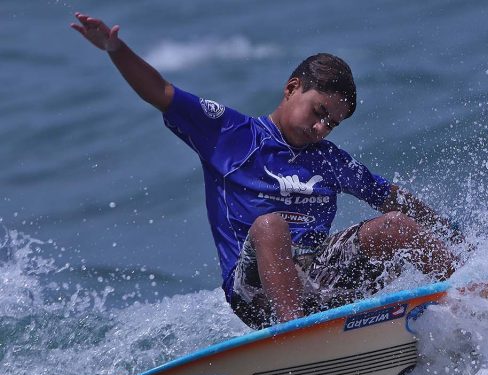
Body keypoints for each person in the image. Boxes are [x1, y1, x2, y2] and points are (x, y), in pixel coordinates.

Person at [71, 12, 464, 329]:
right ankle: (296, 341)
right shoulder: (231, 133)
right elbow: (162, 93)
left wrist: (453, 236)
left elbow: (390, 197)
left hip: (321, 283)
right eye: (319, 112)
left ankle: (472, 291)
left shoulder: (329, 159)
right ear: (292, 88)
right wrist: (115, 49)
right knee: (271, 225)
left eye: (333, 124)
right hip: (257, 291)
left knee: (394, 224)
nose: (322, 128)